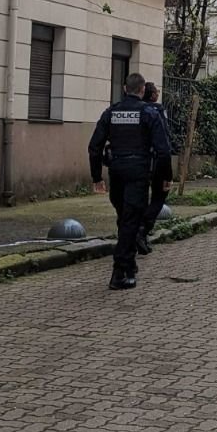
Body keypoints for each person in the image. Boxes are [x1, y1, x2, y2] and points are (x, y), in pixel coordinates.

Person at [89, 72, 172, 290]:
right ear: (142, 90)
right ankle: (119, 272)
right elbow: (163, 151)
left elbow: (94, 146)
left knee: (124, 217)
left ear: (125, 88)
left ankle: (130, 264)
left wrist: (96, 176)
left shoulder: (111, 112)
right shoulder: (148, 113)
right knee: (130, 220)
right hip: (138, 172)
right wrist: (165, 178)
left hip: (116, 171)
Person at [138, 81, 173, 256]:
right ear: (152, 95)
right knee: (159, 196)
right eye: (156, 92)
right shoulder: (157, 111)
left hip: (138, 162)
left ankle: (134, 232)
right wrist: (168, 172)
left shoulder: (134, 110)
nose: (158, 94)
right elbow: (164, 141)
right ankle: (143, 229)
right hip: (157, 162)